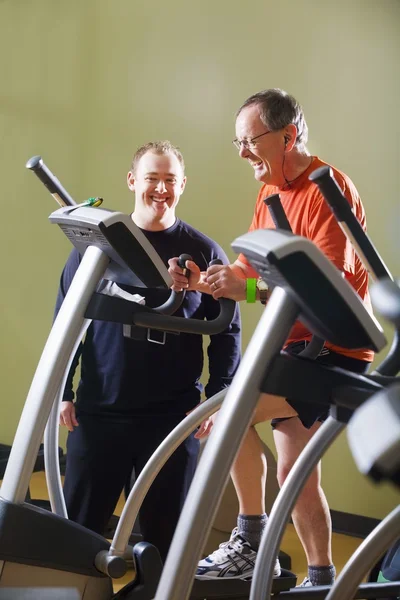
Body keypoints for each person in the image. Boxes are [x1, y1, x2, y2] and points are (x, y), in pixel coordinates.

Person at [168, 89, 373, 586]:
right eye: (236, 143)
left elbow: (329, 284)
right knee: (294, 475)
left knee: (227, 418)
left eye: (249, 141)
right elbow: (248, 269)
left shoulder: (329, 187)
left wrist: (251, 286)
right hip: (299, 347)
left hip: (336, 349)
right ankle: (322, 576)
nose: (242, 154)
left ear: (288, 135)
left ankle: (250, 537)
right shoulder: (271, 188)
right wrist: (204, 279)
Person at [56, 140, 241, 562]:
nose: (161, 189)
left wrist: (216, 399)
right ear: (132, 181)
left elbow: (228, 329)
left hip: (171, 418)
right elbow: (66, 318)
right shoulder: (96, 247)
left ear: (183, 185)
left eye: (170, 181)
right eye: (152, 179)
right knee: (76, 534)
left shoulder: (204, 251)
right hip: (100, 410)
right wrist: (64, 389)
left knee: (165, 541)